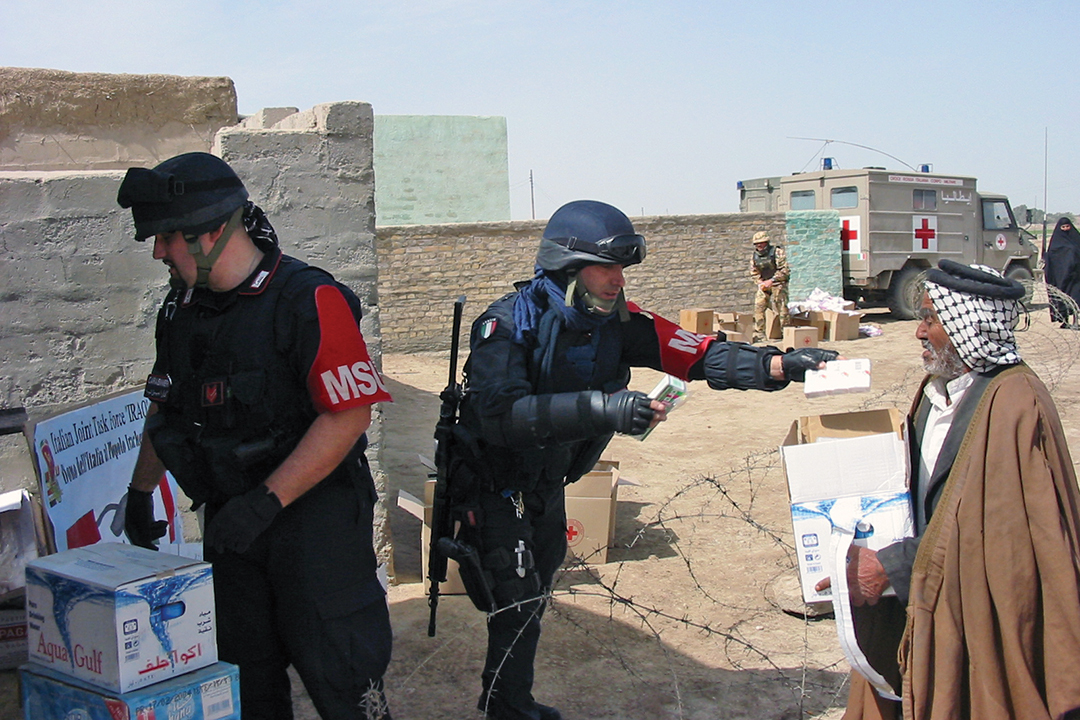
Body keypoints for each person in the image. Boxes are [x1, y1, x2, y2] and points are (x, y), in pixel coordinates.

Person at [446, 200, 837, 720]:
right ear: (567, 265)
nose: (616, 280)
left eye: (622, 269)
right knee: (514, 603)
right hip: (496, 486)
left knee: (533, 597)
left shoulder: (617, 321)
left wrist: (777, 363)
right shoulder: (509, 325)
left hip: (547, 484)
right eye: (605, 267)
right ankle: (506, 707)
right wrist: (603, 409)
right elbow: (499, 415)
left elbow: (697, 353)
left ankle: (508, 702)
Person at [117, 152, 394, 720]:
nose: (157, 252)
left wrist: (268, 501)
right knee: (247, 688)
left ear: (212, 232)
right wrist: (141, 492)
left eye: (167, 237)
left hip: (314, 527)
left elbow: (348, 416)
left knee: (345, 685)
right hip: (232, 528)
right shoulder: (179, 310)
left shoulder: (309, 299)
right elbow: (166, 410)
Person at [819, 259, 1080, 720]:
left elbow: (1008, 542)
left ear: (970, 326)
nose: (919, 333)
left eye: (930, 320)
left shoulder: (1015, 404)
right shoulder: (938, 391)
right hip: (928, 600)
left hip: (981, 617)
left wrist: (895, 566)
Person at [749, 230, 791, 342]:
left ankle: (786, 332)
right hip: (764, 284)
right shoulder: (754, 256)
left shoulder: (777, 252)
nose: (759, 245)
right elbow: (754, 272)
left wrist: (772, 280)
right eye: (757, 244)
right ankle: (760, 333)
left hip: (778, 283)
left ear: (766, 242)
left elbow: (785, 270)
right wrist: (760, 283)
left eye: (762, 243)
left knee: (781, 306)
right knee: (759, 306)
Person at [1043, 216, 1080, 328]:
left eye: (1067, 226)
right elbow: (1052, 259)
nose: (1065, 229)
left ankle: (1076, 321)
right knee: (1062, 299)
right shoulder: (1056, 243)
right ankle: (1065, 321)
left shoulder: (1076, 240)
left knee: (1076, 299)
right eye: (1063, 227)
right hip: (1061, 278)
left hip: (1075, 276)